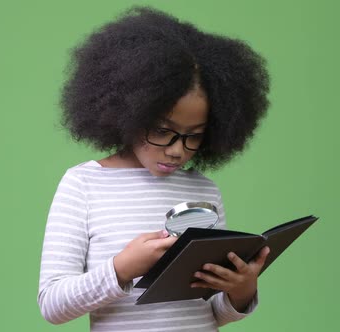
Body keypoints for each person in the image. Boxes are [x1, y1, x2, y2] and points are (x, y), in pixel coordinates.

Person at [38, 6, 271, 331]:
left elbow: (212, 310)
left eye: (194, 136)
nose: (177, 150)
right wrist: (121, 268)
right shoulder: (84, 184)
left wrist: (241, 292)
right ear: (128, 110)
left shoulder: (204, 190)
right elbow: (52, 304)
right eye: (162, 131)